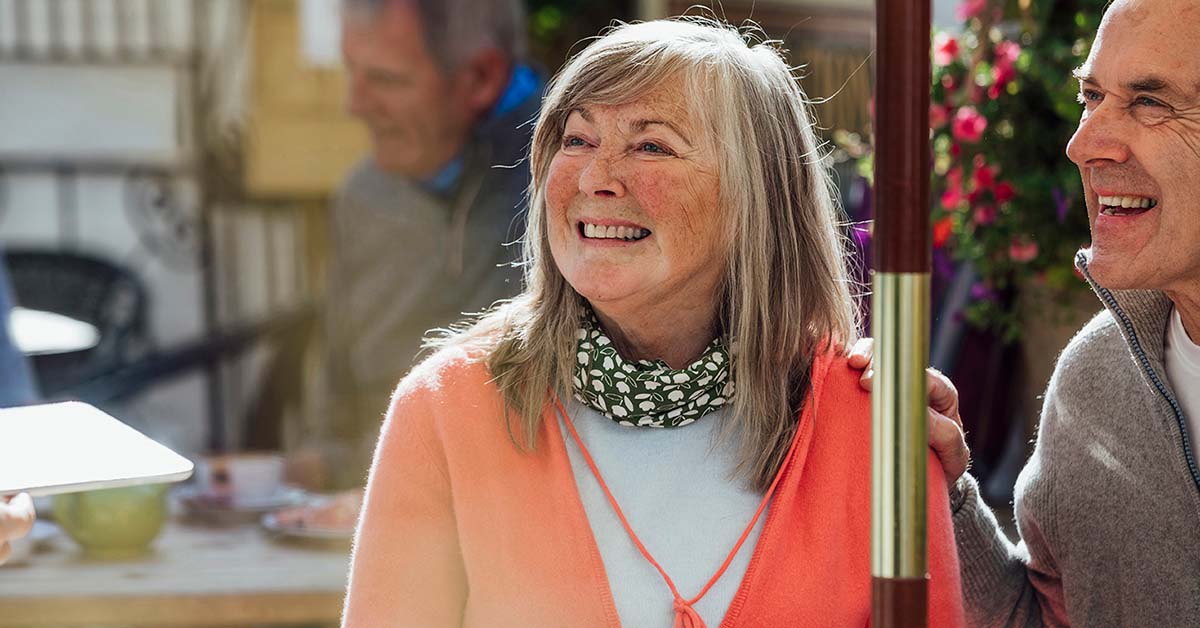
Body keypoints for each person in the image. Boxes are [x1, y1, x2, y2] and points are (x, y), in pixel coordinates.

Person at [341, 18, 965, 627]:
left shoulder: (873, 425)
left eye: (650, 145)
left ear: (758, 197)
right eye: (577, 140)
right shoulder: (446, 412)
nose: (594, 178)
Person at [917, 0, 1200, 624]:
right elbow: (1046, 617)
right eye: (1091, 97)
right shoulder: (1095, 379)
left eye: (1150, 103)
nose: (1083, 145)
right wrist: (945, 491)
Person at [294, 0, 541, 490]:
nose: (355, 104)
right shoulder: (363, 197)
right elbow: (333, 403)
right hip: (371, 516)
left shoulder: (578, 184)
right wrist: (320, 468)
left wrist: (347, 468)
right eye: (351, 71)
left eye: (386, 79)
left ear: (480, 78)